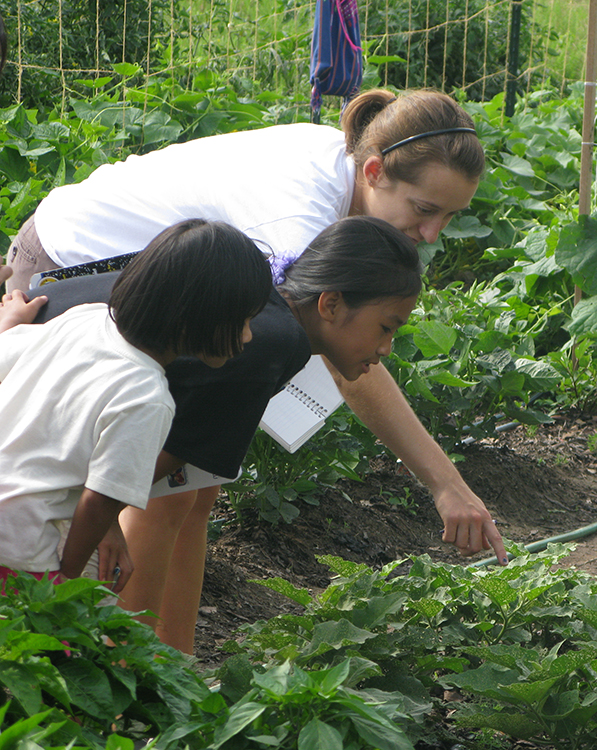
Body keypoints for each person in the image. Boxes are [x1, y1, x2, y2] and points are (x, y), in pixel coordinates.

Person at [4, 87, 508, 652]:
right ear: (374, 169)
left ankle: (177, 664)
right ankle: (133, 679)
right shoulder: (297, 232)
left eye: (449, 216)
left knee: (192, 489)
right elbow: (345, 364)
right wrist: (446, 485)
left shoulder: (348, 183)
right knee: (160, 492)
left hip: (148, 290)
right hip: (77, 266)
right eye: (423, 209)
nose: (433, 233)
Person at [19, 216, 430, 653]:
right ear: (329, 304)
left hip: (25, 374)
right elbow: (139, 475)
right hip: (27, 468)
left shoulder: (257, 299)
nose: (385, 349)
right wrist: (89, 548)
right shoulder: (272, 345)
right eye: (386, 327)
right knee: (51, 625)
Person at [0, 219, 272, 594]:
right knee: (46, 646)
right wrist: (67, 581)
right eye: (240, 321)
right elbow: (99, 502)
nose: (248, 336)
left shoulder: (85, 319)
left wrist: (9, 325)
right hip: (18, 549)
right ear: (195, 316)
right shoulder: (147, 397)